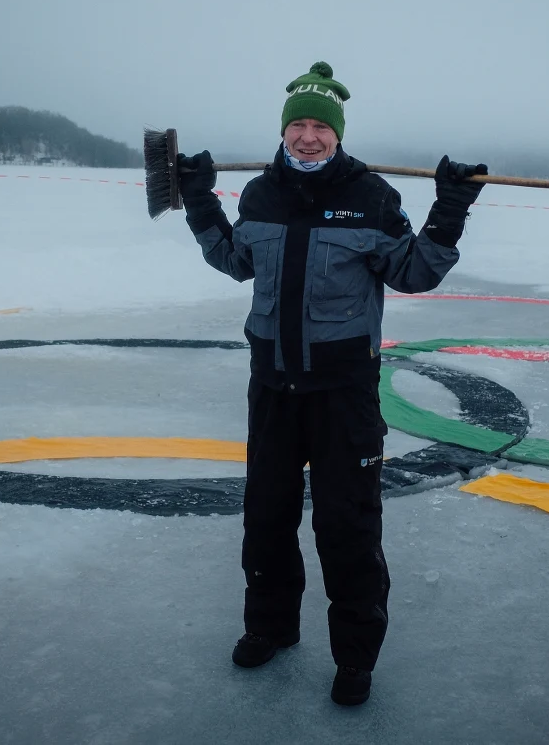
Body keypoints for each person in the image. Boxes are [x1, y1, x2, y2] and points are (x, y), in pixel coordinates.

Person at [176, 61, 486, 707]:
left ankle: (354, 659)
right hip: (273, 387)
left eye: (321, 126)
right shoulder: (260, 194)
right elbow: (234, 260)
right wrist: (200, 201)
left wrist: (450, 208)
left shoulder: (371, 196)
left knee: (347, 527)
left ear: (338, 134)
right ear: (284, 132)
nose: (309, 137)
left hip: (343, 393)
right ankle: (269, 628)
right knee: (266, 518)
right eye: (299, 125)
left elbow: (414, 272)